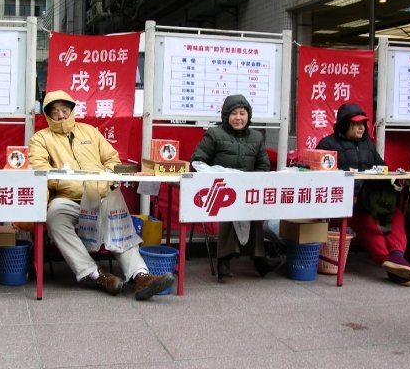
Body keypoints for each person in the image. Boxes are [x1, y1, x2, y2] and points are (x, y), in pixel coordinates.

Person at [28, 90, 175, 300]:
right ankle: (97, 275)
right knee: (54, 216)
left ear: (71, 110)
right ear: (48, 115)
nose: (60, 115)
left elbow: (112, 158)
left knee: (118, 211)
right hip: (67, 198)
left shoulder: (90, 131)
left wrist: (110, 174)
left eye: (64, 110)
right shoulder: (40, 138)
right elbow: (41, 170)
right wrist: (76, 182)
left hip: (101, 195)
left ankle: (140, 276)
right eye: (55, 111)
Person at [316, 103, 410, 286]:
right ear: (344, 124)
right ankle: (388, 261)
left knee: (395, 215)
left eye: (363, 123)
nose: (362, 128)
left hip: (371, 199)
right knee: (366, 219)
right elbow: (318, 172)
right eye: (356, 124)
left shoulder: (368, 146)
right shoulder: (328, 144)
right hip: (346, 201)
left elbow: (383, 168)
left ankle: (396, 256)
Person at [190, 94, 282, 281]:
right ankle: (224, 259)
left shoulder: (256, 137)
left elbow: (263, 166)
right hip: (220, 188)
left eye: (242, 113)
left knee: (253, 208)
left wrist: (249, 181)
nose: (238, 117)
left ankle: (259, 259)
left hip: (247, 188)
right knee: (230, 208)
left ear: (248, 116)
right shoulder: (214, 134)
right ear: (226, 116)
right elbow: (197, 161)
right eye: (234, 113)